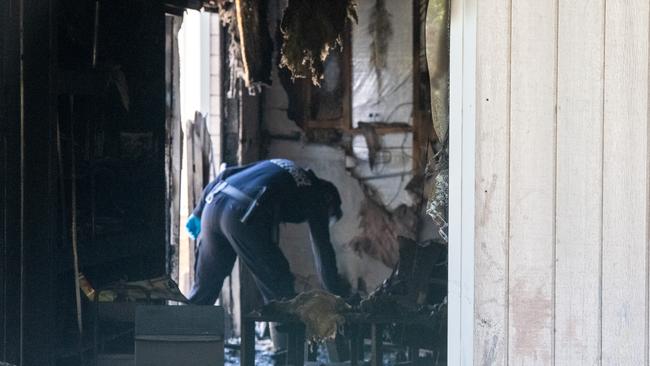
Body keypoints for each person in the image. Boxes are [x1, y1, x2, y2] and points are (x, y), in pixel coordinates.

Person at [185, 159, 349, 305]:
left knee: (203, 291)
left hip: (212, 206)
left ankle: (183, 337)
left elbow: (226, 174)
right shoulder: (318, 196)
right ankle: (289, 338)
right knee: (280, 285)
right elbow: (322, 248)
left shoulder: (283, 164)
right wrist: (337, 296)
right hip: (244, 213)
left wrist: (198, 212)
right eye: (328, 215)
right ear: (329, 199)